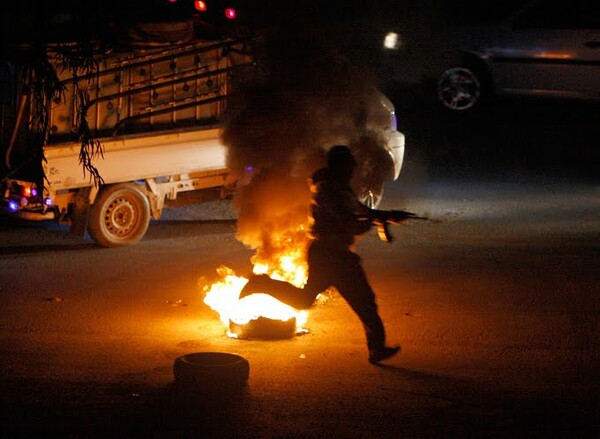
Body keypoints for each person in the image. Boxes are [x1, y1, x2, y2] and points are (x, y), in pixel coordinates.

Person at [240, 145, 400, 364]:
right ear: (340, 166)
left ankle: (377, 348)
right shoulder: (328, 191)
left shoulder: (336, 187)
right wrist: (373, 222)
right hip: (331, 255)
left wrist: (383, 216)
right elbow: (351, 223)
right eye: (349, 165)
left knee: (313, 300)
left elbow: (358, 210)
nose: (353, 169)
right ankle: (262, 283)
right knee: (361, 301)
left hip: (330, 254)